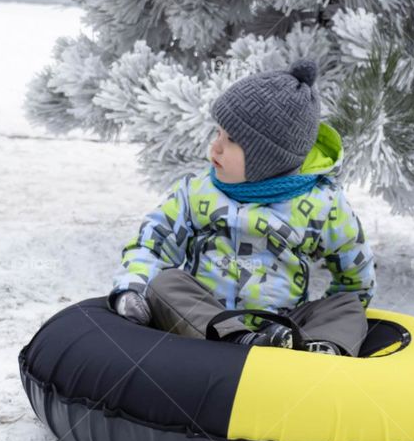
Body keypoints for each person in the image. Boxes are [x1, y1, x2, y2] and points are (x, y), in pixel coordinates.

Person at [108, 58, 376, 356]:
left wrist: (332, 321)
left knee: (347, 306)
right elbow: (153, 245)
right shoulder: (196, 192)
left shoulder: (321, 204)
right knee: (165, 283)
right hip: (206, 321)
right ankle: (235, 339)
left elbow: (355, 272)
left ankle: (320, 350)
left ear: (269, 158)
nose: (216, 147)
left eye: (232, 139)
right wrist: (133, 288)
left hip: (283, 325)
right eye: (218, 132)